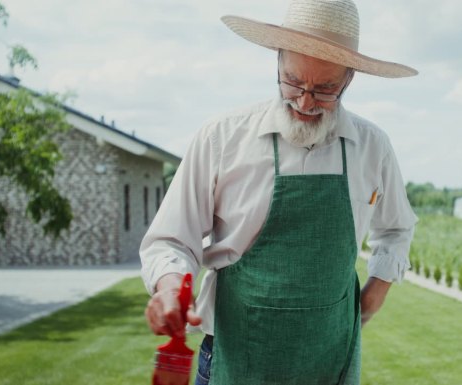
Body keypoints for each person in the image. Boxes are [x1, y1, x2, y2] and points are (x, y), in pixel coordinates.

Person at [141, 1, 418, 384]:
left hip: (329, 362)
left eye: (325, 89)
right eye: (293, 81)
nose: (305, 102)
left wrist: (376, 290)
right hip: (234, 357)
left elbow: (397, 229)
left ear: (349, 79)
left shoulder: (372, 147)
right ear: (277, 62)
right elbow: (171, 240)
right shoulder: (222, 138)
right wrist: (171, 287)